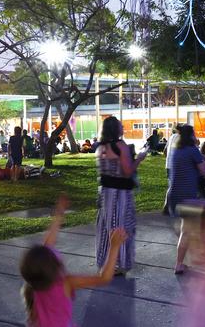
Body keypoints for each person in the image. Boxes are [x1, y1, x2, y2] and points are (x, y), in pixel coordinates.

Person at [19, 195, 128, 327]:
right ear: (55, 267)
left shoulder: (34, 283)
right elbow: (104, 278)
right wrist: (114, 246)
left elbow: (49, 242)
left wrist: (60, 212)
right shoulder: (65, 283)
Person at [95, 117, 147, 276]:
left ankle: (106, 261)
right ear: (115, 129)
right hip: (120, 194)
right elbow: (127, 172)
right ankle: (118, 263)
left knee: (107, 226)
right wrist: (139, 159)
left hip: (106, 193)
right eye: (120, 125)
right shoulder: (120, 146)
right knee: (121, 225)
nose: (122, 127)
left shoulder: (100, 147)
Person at [166, 124, 205, 274]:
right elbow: (204, 172)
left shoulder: (176, 150)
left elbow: (193, 166)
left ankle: (189, 259)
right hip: (188, 196)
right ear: (191, 135)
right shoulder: (192, 150)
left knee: (187, 229)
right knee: (189, 231)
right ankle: (180, 264)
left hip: (174, 195)